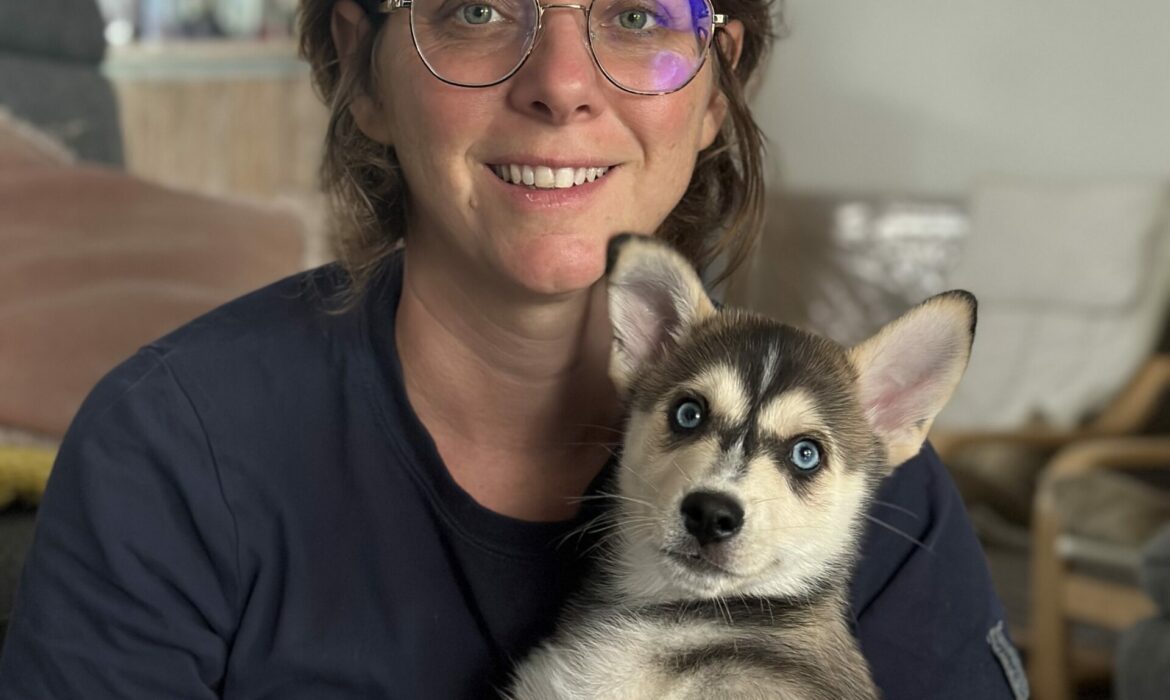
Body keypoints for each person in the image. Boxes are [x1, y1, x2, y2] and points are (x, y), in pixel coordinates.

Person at [0, 0, 1027, 698]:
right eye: (479, 7)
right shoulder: (172, 450)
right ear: (359, 66)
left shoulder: (872, 491)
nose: (564, 86)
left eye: (638, 13)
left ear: (720, 85)